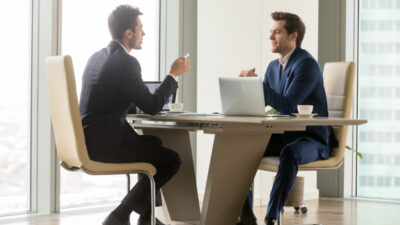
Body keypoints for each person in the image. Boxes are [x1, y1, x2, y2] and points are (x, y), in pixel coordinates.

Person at [79, 5, 190, 225]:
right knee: (172, 160)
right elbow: (152, 105)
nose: (144, 33)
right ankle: (120, 214)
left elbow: (105, 101)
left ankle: (146, 217)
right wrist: (173, 75)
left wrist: (133, 105)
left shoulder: (96, 58)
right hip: (105, 146)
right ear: (128, 33)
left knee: (154, 143)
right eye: (141, 28)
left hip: (89, 140)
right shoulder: (126, 62)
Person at [238, 12, 336, 225]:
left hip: (311, 139)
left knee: (290, 153)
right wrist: (245, 91)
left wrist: (259, 86)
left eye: (277, 32)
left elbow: (290, 106)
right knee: (243, 149)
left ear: (293, 36)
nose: (271, 36)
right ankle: (245, 215)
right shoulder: (274, 67)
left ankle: (271, 218)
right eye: (270, 32)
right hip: (285, 135)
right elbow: (265, 102)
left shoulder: (307, 65)